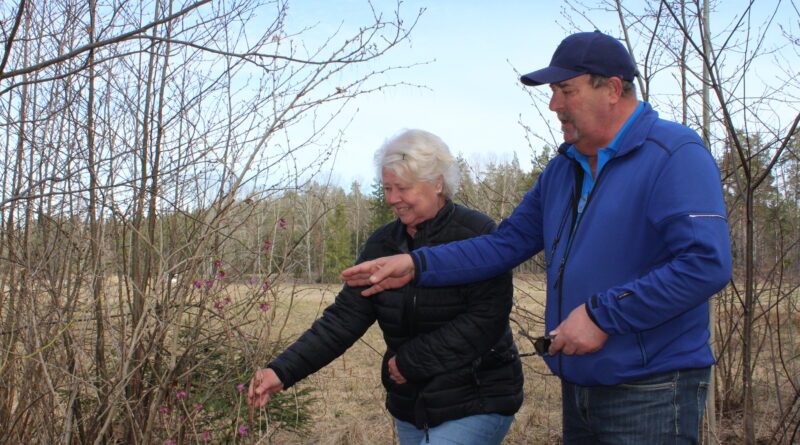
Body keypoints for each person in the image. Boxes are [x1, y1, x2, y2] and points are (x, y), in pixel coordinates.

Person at [342, 31, 732, 444]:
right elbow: (503, 245)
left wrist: (603, 315)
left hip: (652, 386)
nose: (554, 104)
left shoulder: (673, 154)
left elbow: (705, 263)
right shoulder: (564, 169)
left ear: (613, 89)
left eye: (566, 90)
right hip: (581, 382)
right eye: (553, 92)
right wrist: (416, 265)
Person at [248, 129, 524, 445]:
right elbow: (343, 320)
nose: (392, 199)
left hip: (478, 400)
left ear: (437, 183)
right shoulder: (383, 244)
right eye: (387, 188)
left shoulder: (478, 235)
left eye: (402, 188)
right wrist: (282, 372)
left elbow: (486, 320)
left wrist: (411, 362)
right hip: (411, 406)